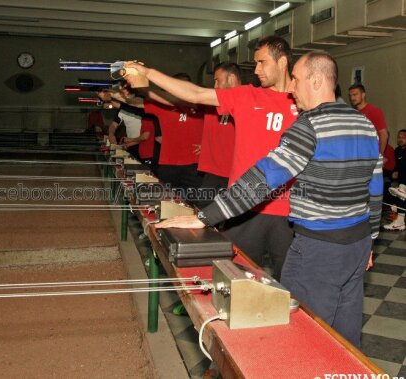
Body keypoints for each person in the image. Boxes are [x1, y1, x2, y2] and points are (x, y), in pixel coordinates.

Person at [156, 51, 383, 348]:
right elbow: (375, 189)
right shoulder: (364, 124)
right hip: (356, 247)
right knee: (344, 339)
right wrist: (371, 241)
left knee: (303, 337)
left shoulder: (308, 126)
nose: (291, 89)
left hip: (318, 250)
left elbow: (261, 181)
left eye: (297, 81)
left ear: (315, 81)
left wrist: (203, 217)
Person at [124, 36, 297, 279]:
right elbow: (195, 94)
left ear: (282, 62)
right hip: (245, 208)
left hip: (292, 213)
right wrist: (149, 73)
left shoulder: (306, 102)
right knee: (233, 282)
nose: (256, 70)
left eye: (262, 62)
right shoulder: (247, 96)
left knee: (294, 292)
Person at [195, 62, 241, 207]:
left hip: (237, 174)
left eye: (217, 81)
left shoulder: (250, 101)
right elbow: (182, 98)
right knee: (202, 212)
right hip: (212, 172)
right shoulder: (212, 101)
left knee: (231, 220)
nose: (215, 86)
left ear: (231, 79)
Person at [349, 83, 388, 154]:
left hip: (371, 154)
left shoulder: (374, 111)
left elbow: (384, 134)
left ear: (363, 95)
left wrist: (380, 154)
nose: (352, 98)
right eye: (350, 95)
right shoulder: (352, 113)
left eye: (355, 95)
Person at [384, 129, 406, 231]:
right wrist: (395, 171)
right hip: (401, 180)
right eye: (399, 137)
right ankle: (400, 222)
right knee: (401, 195)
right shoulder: (397, 151)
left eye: (403, 137)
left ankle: (402, 188)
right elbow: (396, 167)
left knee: (402, 193)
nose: (400, 139)